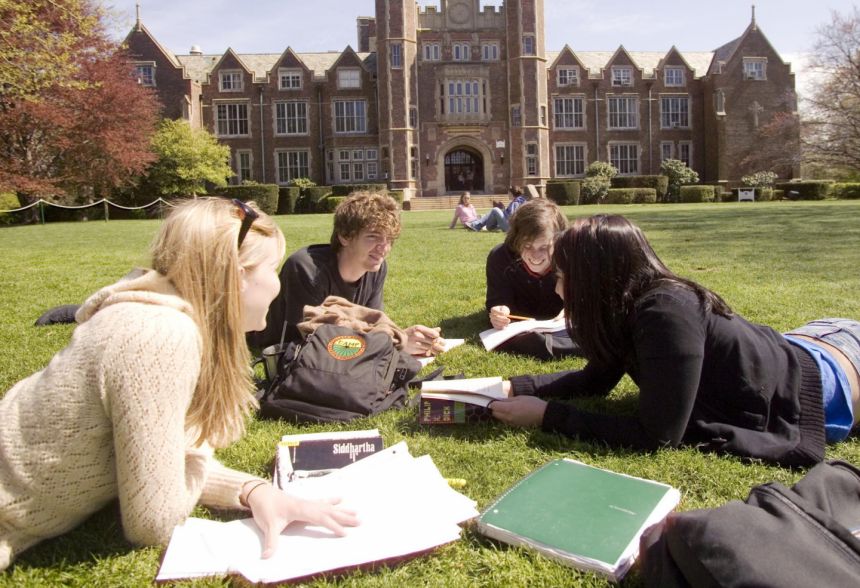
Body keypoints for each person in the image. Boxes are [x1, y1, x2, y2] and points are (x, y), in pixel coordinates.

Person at [0, 198, 359, 571]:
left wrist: (253, 490)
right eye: (271, 268)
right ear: (236, 275)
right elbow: (153, 521)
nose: (276, 282)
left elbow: (161, 457)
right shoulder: (160, 336)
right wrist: (195, 449)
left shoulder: (162, 320)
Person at [491, 214, 860, 467]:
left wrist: (548, 415)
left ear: (594, 277)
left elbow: (658, 434)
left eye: (562, 274)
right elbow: (594, 380)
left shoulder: (664, 311)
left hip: (834, 370)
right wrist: (514, 386)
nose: (556, 286)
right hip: (805, 339)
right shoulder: (625, 307)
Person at [248, 191, 440, 354]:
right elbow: (316, 340)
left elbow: (372, 322)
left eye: (389, 239)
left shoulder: (376, 268)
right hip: (282, 346)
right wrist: (399, 341)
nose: (384, 248)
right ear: (345, 237)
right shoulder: (307, 268)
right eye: (373, 237)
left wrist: (407, 338)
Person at [485, 198, 579, 359]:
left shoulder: (572, 257)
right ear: (516, 240)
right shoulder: (500, 257)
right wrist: (499, 310)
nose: (535, 256)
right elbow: (497, 299)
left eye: (545, 247)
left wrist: (574, 308)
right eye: (527, 246)